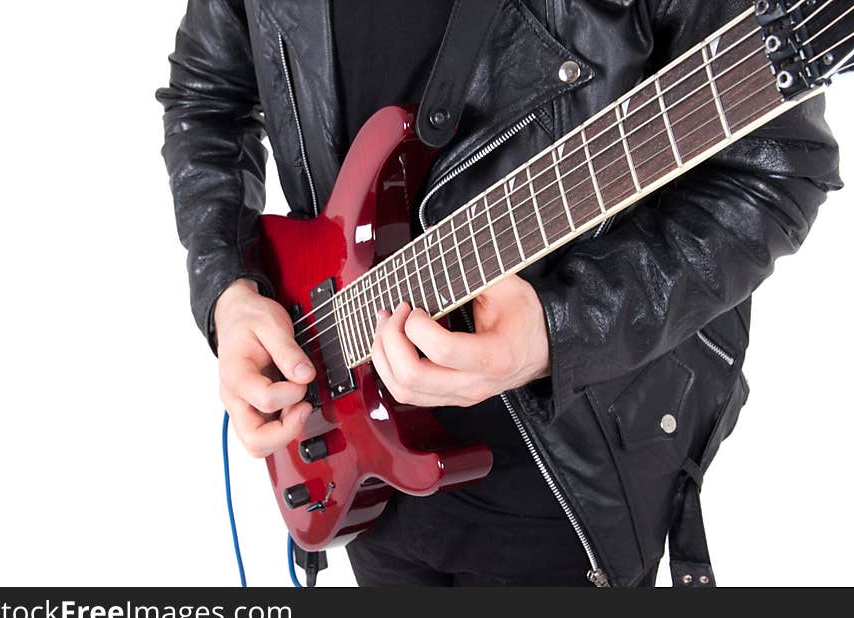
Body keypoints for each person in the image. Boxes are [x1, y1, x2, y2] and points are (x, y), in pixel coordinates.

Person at [157, 0, 841, 586]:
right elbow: (205, 95)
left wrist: (556, 329)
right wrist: (228, 290)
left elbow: (776, 171)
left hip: (569, 483)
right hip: (359, 466)